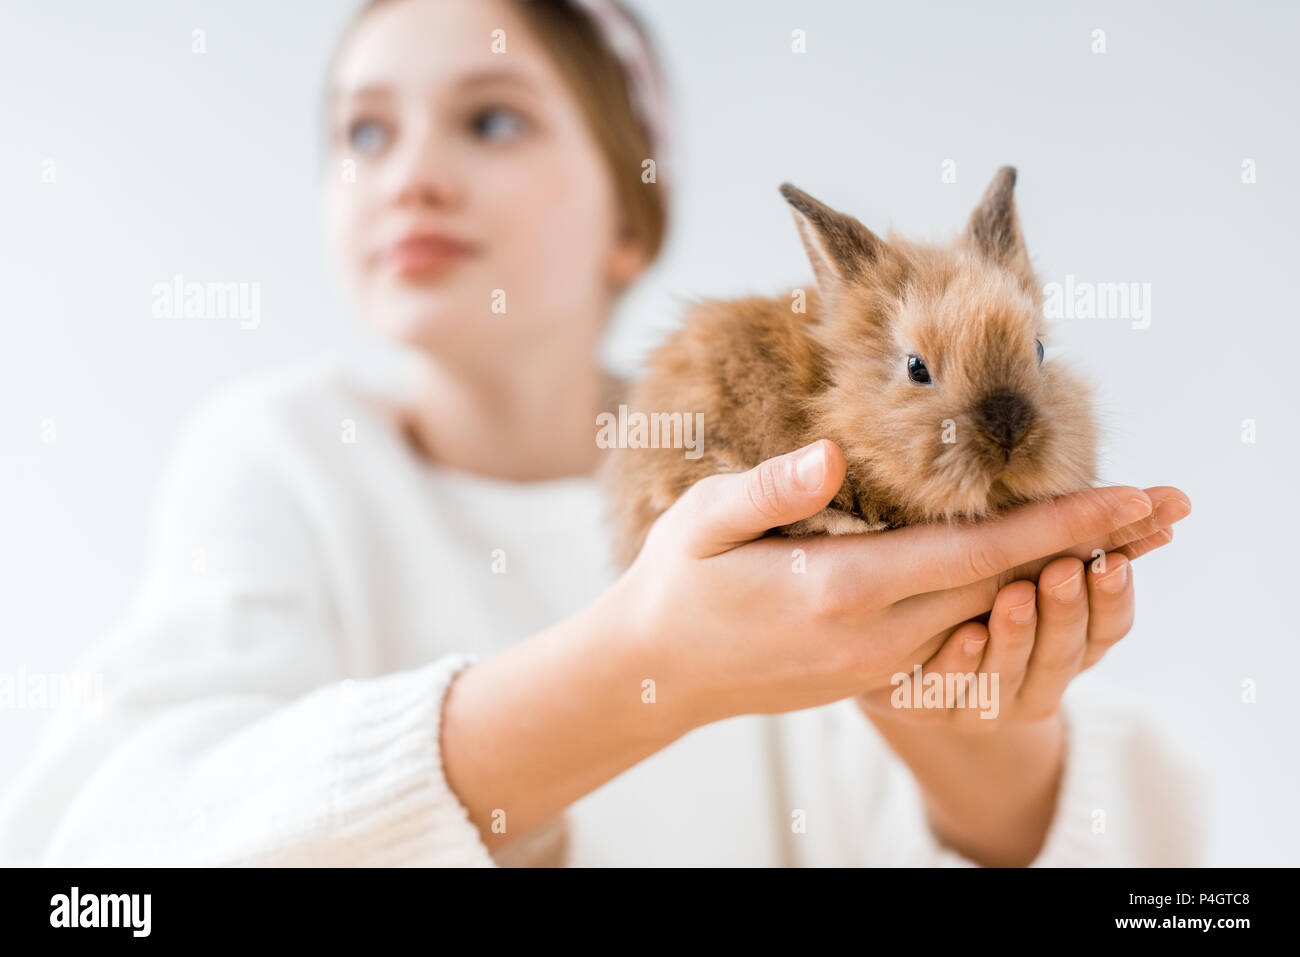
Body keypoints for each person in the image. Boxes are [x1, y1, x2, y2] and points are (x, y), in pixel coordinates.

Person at [0, 0, 1207, 867]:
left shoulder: (795, 444)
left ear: (630, 220)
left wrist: (949, 694)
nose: (411, 174)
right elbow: (108, 862)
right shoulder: (280, 457)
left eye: (489, 121)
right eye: (364, 133)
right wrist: (649, 668)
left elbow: (1133, 854)